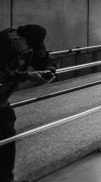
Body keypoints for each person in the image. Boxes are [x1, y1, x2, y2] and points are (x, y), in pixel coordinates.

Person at [0, 25, 57, 182]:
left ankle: (6, 178)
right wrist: (28, 76)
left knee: (7, 132)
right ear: (17, 39)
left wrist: (49, 71)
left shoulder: (28, 48)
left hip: (1, 102)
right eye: (29, 47)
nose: (30, 51)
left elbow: (47, 58)